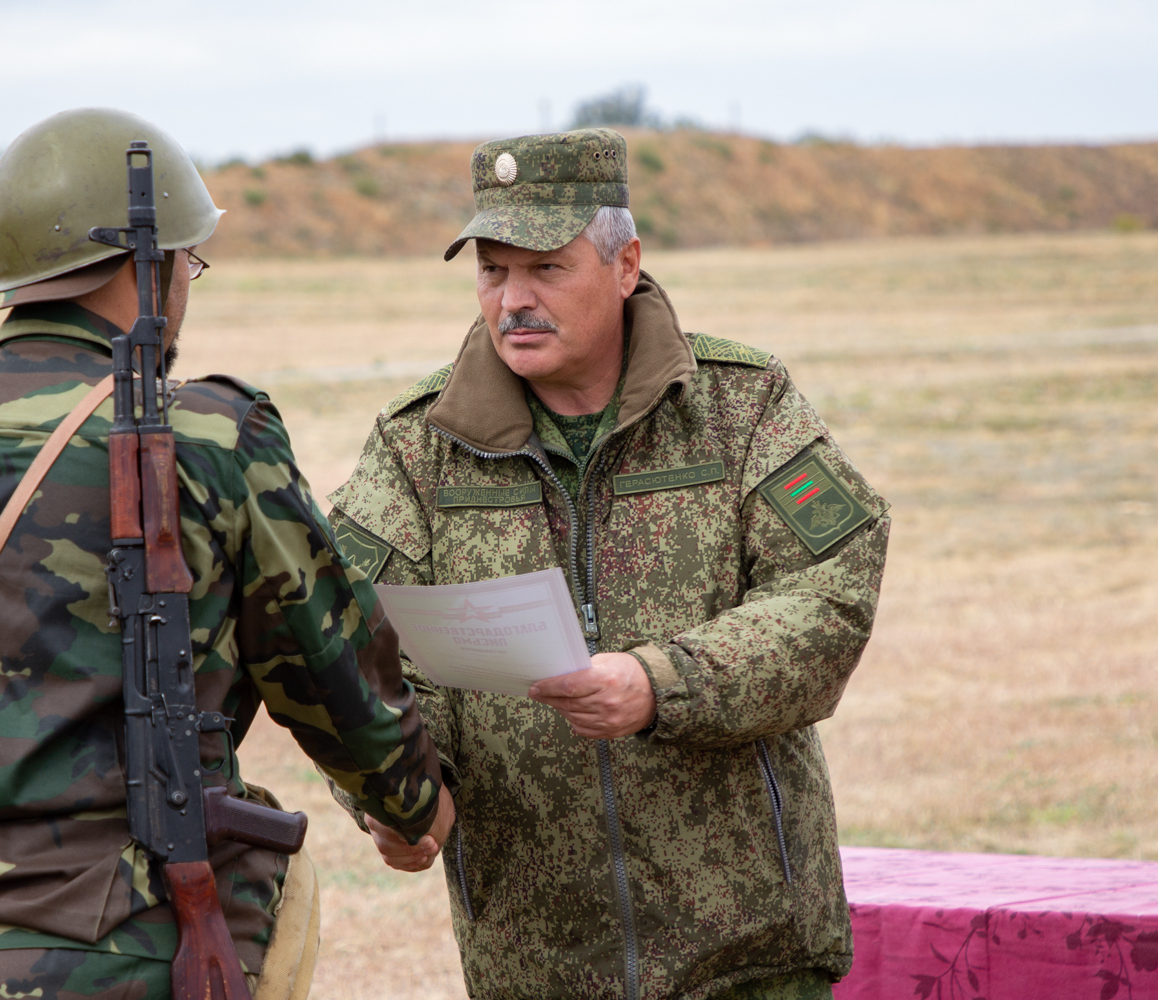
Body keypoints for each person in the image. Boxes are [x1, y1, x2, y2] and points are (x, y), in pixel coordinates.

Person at [0, 107, 450, 1000]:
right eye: (189, 258)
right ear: (142, 264)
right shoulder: (214, 436)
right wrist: (414, 803)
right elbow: (330, 669)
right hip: (132, 958)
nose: (190, 279)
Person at [326, 129, 890, 1000]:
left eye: (545, 269)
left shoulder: (741, 405)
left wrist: (660, 684)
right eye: (492, 271)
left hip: (747, 959)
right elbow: (347, 640)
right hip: (536, 965)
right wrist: (400, 791)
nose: (513, 299)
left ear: (625, 265)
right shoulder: (418, 448)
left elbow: (829, 594)